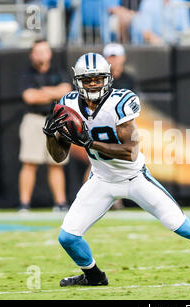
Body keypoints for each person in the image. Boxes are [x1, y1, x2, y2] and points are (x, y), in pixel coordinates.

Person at [42, 52, 190, 286]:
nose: (93, 84)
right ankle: (94, 277)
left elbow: (130, 152)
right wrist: (51, 136)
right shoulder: (68, 104)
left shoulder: (119, 102)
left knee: (183, 227)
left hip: (134, 178)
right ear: (78, 81)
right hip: (101, 179)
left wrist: (90, 142)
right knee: (67, 237)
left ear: (107, 78)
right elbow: (59, 156)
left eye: (98, 79)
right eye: (87, 80)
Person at [82, 42, 138, 210]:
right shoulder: (96, 79)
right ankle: (87, 200)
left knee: (126, 159)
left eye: (116, 56)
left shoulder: (128, 79)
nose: (113, 60)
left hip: (122, 125)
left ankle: (117, 199)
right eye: (110, 56)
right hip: (100, 123)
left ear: (123, 58)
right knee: (96, 161)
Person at [19, 39, 72, 213]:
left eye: (45, 51)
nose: (42, 54)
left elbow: (65, 91)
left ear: (50, 53)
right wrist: (53, 92)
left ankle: (60, 203)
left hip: (56, 119)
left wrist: (42, 91)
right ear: (32, 54)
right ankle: (24, 205)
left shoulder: (59, 72)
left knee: (57, 163)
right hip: (34, 119)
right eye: (38, 51)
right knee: (29, 162)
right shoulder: (27, 74)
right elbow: (30, 97)